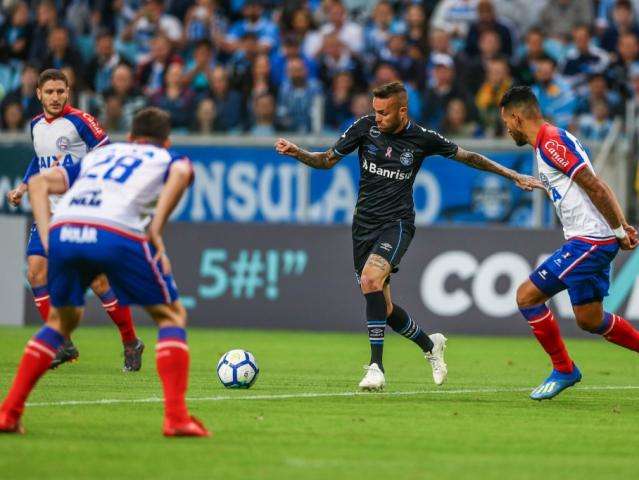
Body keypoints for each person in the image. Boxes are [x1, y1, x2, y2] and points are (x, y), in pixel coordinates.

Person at [275, 81, 542, 391]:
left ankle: (376, 367)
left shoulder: (422, 139)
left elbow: (469, 157)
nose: (377, 118)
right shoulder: (364, 128)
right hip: (363, 226)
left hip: (398, 223)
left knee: (370, 280)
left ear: (402, 111)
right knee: (384, 309)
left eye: (384, 113)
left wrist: (513, 175)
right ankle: (431, 345)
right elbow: (325, 161)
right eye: (374, 111)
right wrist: (297, 152)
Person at [0, 107, 210, 437]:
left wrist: (47, 237)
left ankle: (8, 414)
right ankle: (176, 417)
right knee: (170, 315)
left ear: (130, 137)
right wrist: (155, 229)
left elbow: (39, 184)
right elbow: (182, 173)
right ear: (166, 142)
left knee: (59, 322)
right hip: (116, 231)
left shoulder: (101, 156)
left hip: (66, 229)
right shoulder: (167, 158)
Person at [499, 86, 639, 401]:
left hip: (591, 240)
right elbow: (596, 181)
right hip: (594, 237)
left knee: (527, 297)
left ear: (518, 118)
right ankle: (564, 368)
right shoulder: (551, 141)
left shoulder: (550, 141)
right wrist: (622, 225)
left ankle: (563, 368)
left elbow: (594, 185)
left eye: (507, 121)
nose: (506, 128)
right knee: (590, 320)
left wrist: (618, 230)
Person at [6, 69, 143, 371]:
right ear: (38, 94)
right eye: (49, 92)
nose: (55, 97)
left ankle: (131, 342)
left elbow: (107, 154)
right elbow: (39, 160)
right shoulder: (35, 126)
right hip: (49, 211)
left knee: (97, 280)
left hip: (80, 209)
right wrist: (23, 187)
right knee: (36, 273)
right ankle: (62, 344)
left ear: (68, 92)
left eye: (60, 91)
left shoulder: (82, 121)